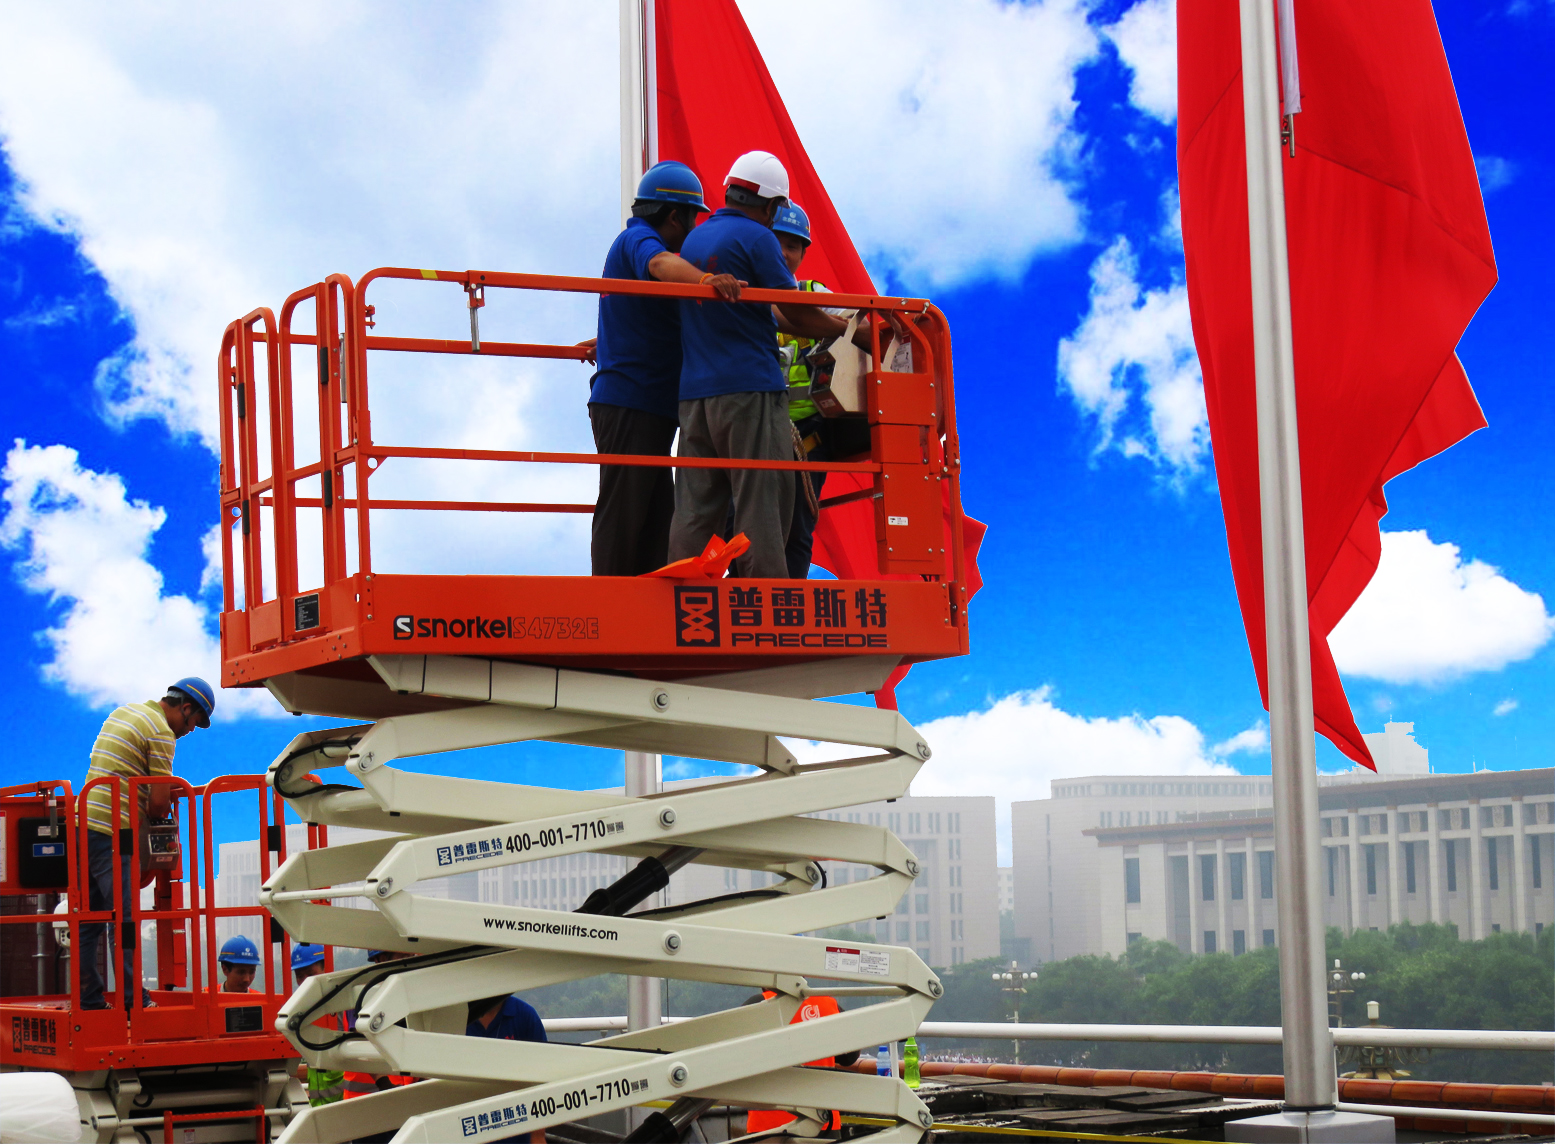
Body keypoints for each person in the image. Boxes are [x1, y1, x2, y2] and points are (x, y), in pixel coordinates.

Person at [669, 151, 844, 578]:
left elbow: (765, 313)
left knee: (696, 504)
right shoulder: (756, 238)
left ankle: (677, 593)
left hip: (694, 396)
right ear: (771, 205)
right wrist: (848, 329)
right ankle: (765, 601)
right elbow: (798, 313)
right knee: (762, 498)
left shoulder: (695, 240)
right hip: (748, 391)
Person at [582, 160, 743, 576]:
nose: (693, 231)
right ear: (675, 216)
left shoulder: (638, 244)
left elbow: (637, 311)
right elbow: (658, 265)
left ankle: (646, 606)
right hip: (631, 400)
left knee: (656, 515)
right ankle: (611, 603)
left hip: (644, 402)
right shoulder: (639, 240)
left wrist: (608, 340)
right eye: (691, 219)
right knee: (625, 509)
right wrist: (706, 281)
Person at [79, 676, 214, 1011]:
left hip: (85, 822)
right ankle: (132, 1000)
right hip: (115, 830)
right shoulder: (161, 733)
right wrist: (167, 807)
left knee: (90, 919)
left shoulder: (125, 712)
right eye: (193, 722)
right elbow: (157, 801)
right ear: (185, 708)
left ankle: (89, 999)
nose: (190, 730)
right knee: (124, 919)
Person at [742, 991, 857, 1136]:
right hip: (823, 1122)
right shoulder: (828, 1004)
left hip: (770, 1125)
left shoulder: (760, 1003)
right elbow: (850, 1057)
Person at [468, 993, 547, 1143]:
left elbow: (540, 1079)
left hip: (516, 1129)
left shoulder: (524, 1015)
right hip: (466, 1125)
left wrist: (538, 1135)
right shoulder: (454, 1019)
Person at [290, 944, 346, 1107]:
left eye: (311, 974)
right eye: (300, 976)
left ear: (326, 969)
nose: (305, 981)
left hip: (346, 1102)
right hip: (318, 1104)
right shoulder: (301, 1009)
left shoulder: (343, 1003)